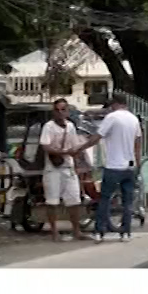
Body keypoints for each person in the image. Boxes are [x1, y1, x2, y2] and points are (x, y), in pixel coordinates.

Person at [38, 98, 99, 241]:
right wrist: (64, 153)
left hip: (68, 167)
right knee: (52, 201)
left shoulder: (70, 126)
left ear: (67, 111)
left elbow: (75, 146)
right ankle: (54, 232)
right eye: (57, 110)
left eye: (63, 110)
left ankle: (76, 231)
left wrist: (78, 163)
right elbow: (45, 147)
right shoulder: (48, 127)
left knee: (74, 199)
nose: (60, 113)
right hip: (52, 168)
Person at [93, 91, 143, 242]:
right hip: (129, 166)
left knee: (105, 199)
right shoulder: (133, 119)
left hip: (114, 166)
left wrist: (80, 148)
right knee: (127, 201)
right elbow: (138, 142)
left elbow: (97, 136)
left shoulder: (111, 118)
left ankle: (99, 232)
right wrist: (137, 162)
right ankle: (125, 232)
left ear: (114, 104)